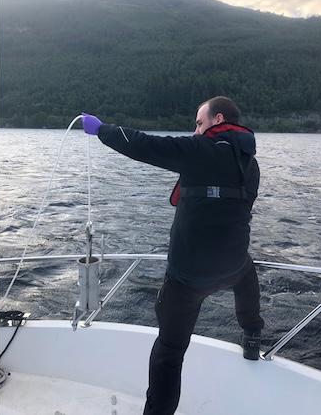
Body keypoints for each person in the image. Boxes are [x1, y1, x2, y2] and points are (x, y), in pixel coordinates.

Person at [82, 96, 264, 415]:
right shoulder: (251, 164)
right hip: (233, 265)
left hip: (189, 277)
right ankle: (252, 335)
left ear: (217, 120)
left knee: (169, 352)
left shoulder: (200, 151)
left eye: (198, 123)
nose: (195, 131)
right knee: (247, 276)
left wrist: (102, 131)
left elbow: (146, 145)